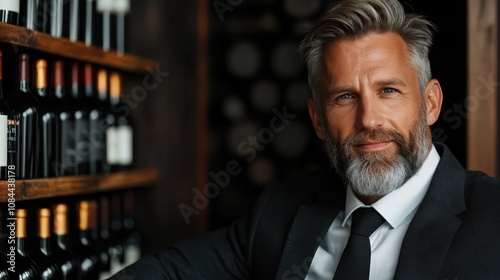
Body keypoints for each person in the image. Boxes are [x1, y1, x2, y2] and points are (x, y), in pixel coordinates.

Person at [111, 0, 500, 279]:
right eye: (345, 97)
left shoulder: (492, 221)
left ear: (431, 103)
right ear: (317, 119)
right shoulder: (281, 210)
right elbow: (168, 270)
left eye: (388, 91)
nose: (368, 119)